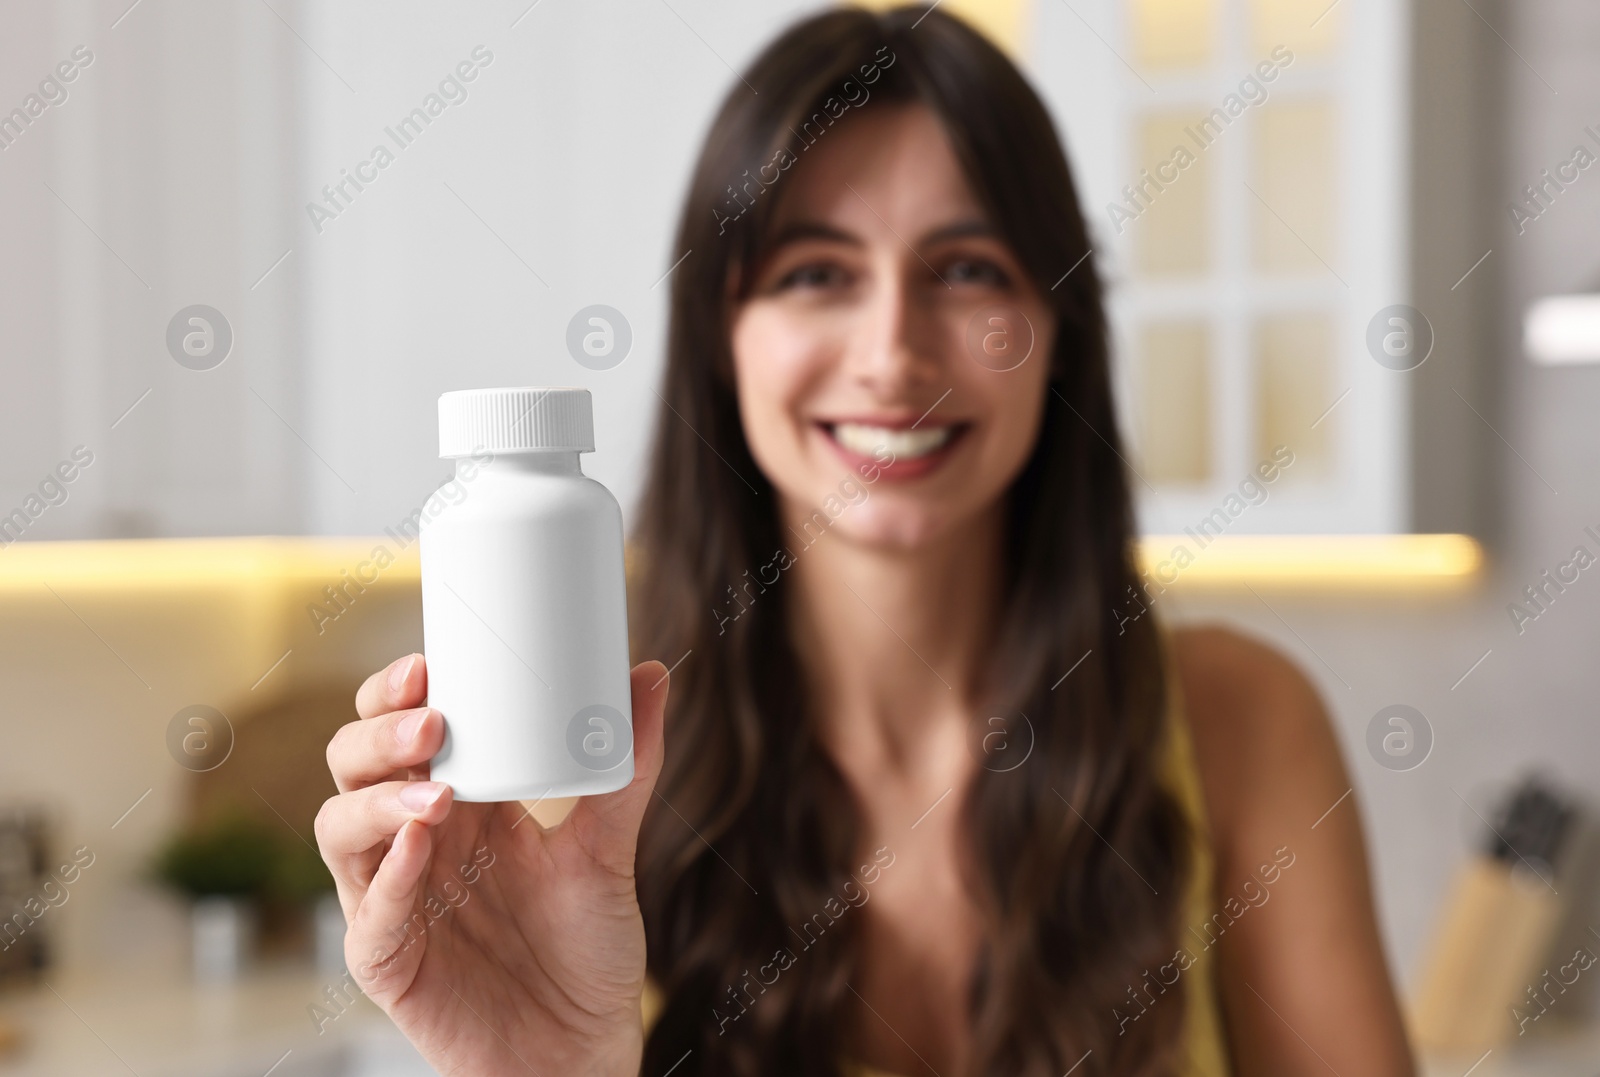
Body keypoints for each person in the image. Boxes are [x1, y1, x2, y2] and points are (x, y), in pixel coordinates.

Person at [314, 6, 1416, 1075]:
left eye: (966, 268)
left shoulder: (1240, 723)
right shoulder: (574, 768)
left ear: (1058, 331)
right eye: (816, 274)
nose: (892, 354)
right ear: (721, 343)